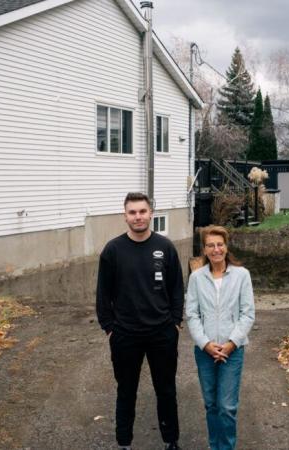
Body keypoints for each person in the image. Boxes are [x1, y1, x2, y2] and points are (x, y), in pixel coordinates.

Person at [96, 192, 184, 450]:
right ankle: (124, 443)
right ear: (125, 216)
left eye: (142, 211)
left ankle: (171, 441)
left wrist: (175, 323)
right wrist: (110, 329)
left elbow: (177, 288)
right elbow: (103, 294)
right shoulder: (113, 250)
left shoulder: (165, 247)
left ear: (151, 213)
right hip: (125, 335)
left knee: (166, 390)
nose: (138, 217)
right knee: (126, 391)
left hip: (162, 333)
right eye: (132, 212)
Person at [185, 225, 255, 450]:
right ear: (204, 250)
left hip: (232, 351)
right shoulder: (196, 278)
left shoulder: (241, 275)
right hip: (205, 351)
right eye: (210, 245)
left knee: (226, 406)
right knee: (211, 404)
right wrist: (205, 344)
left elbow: (247, 313)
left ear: (226, 247)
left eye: (220, 244)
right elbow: (192, 314)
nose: (216, 249)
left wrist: (231, 344)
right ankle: (214, 446)